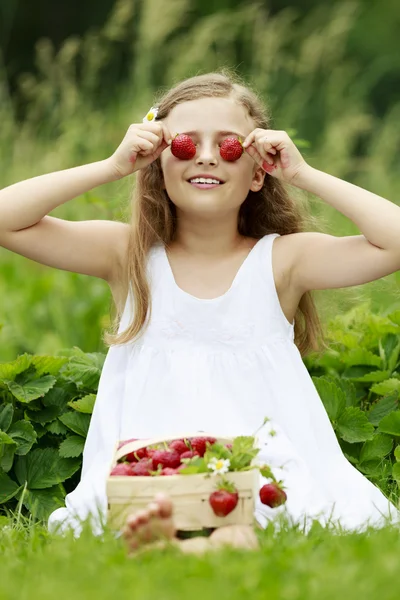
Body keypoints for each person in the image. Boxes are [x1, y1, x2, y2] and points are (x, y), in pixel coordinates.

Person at [1, 71, 400, 555]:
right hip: (153, 466)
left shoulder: (281, 261)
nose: (207, 155)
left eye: (229, 145)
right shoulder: (127, 254)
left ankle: (204, 537)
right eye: (186, 144)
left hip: (264, 468)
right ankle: (192, 534)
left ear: (259, 173)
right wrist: (111, 166)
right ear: (157, 164)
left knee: (276, 505)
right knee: (152, 504)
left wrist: (303, 174)